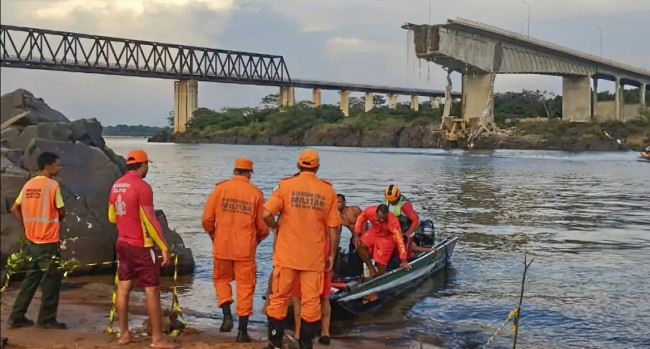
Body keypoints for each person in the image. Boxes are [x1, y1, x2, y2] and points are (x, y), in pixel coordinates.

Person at [262, 149, 341, 349]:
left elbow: (265, 214)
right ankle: (306, 345)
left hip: (287, 255)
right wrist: (331, 254)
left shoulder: (286, 186)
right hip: (313, 258)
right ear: (317, 167)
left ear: (298, 165)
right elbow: (334, 228)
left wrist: (276, 227)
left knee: (278, 300)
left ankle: (275, 344)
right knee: (311, 304)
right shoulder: (327, 190)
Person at [107, 149, 177, 348]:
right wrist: (163, 247)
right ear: (143, 165)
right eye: (147, 165)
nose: (147, 168)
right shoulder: (143, 187)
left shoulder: (116, 185)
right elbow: (150, 220)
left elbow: (111, 216)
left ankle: (124, 335)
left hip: (122, 243)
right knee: (151, 291)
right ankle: (157, 339)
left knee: (123, 288)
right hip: (141, 246)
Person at [201, 158, 269, 342]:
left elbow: (207, 219)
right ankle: (242, 332)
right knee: (245, 287)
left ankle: (226, 316)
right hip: (245, 249)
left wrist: (215, 236)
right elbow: (263, 227)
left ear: (235, 170)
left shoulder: (220, 189)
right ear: (249, 173)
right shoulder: (256, 193)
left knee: (221, 280)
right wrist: (258, 239)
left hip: (222, 246)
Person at [7, 152, 66, 330]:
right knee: (52, 279)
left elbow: (14, 209)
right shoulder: (53, 186)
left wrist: (26, 225)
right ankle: (46, 319)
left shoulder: (29, 185)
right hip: (48, 240)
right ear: (47, 166)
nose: (58, 167)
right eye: (57, 164)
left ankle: (16, 316)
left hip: (32, 240)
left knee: (31, 278)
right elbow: (61, 211)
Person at [354, 205, 411, 279]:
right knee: (360, 244)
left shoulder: (393, 222)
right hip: (375, 231)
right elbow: (361, 218)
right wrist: (357, 233)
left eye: (383, 218)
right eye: (379, 217)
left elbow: (400, 240)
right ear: (376, 213)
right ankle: (371, 269)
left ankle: (378, 276)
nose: (381, 220)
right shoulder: (370, 211)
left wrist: (403, 260)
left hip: (387, 237)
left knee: (380, 262)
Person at [384, 184, 435, 258]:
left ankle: (413, 254)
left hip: (406, 230)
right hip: (395, 230)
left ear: (398, 196)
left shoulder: (405, 205)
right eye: (390, 200)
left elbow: (415, 221)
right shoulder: (387, 200)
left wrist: (407, 235)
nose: (391, 202)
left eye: (393, 200)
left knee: (406, 254)